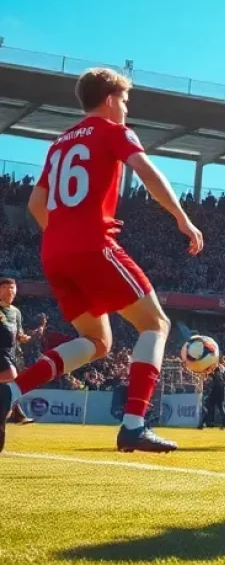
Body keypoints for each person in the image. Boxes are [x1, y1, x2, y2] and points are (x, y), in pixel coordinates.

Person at [0, 67, 204, 454]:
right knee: (156, 324)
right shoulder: (114, 131)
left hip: (54, 253)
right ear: (110, 99)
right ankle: (134, 425)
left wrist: (62, 235)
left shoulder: (59, 143)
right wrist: (183, 218)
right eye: (125, 100)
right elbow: (148, 173)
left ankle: (8, 392)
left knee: (96, 341)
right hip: (93, 245)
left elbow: (34, 203)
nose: (126, 108)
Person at [0, 279, 47, 425]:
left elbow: (19, 335)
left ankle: (17, 414)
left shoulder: (16, 312)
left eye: (12, 288)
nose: (10, 290)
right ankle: (17, 414)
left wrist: (30, 335)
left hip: (11, 353)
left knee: (9, 384)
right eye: (5, 287)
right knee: (11, 377)